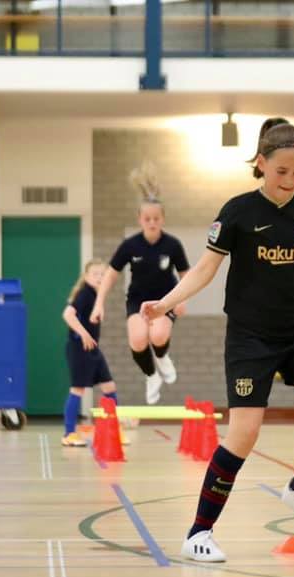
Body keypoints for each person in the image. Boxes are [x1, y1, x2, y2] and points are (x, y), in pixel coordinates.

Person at [141, 117, 294, 563]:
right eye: (282, 172)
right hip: (250, 339)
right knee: (243, 433)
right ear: (261, 163)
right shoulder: (237, 211)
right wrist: (163, 305)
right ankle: (199, 532)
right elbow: (203, 269)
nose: (290, 181)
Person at [92, 163, 190, 405]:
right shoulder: (130, 245)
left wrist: (183, 299)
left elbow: (186, 274)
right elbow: (111, 275)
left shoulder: (172, 245)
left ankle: (163, 357)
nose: (152, 222)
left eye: (156, 218)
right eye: (147, 218)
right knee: (137, 340)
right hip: (137, 300)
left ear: (163, 219)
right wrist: (99, 304)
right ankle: (151, 375)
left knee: (157, 335)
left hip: (165, 300)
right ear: (140, 219)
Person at [61, 260, 124, 447]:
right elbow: (67, 314)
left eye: (102, 274)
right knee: (77, 389)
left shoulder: (97, 296)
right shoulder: (85, 294)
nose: (99, 277)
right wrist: (84, 334)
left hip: (93, 349)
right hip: (79, 349)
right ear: (86, 277)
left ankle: (114, 432)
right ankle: (69, 434)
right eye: (95, 274)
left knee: (109, 388)